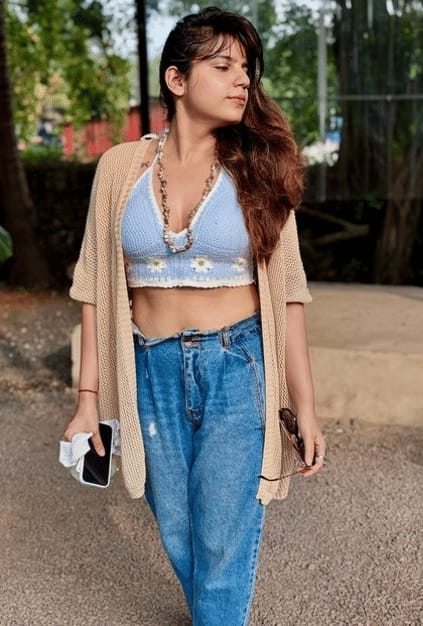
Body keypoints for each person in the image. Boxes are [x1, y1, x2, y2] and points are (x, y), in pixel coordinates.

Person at [64, 7, 326, 625]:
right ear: (177, 79)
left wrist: (306, 406)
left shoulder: (258, 168)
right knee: (179, 531)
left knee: (221, 539)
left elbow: (288, 292)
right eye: (224, 66)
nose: (243, 80)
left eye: (247, 69)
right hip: (148, 370)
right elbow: (94, 286)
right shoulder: (119, 170)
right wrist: (87, 399)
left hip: (237, 365)